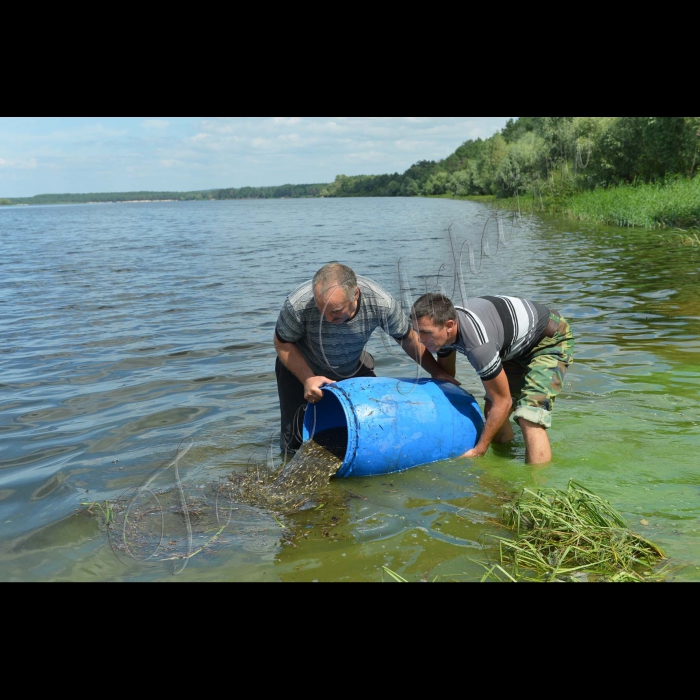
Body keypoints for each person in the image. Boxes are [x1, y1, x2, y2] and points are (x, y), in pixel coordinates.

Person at [274, 263, 458, 454]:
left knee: (371, 427)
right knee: (294, 442)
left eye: (335, 311)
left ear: (355, 294)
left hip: (351, 364)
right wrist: (307, 378)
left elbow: (408, 339)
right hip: (301, 368)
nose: (327, 319)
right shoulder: (299, 303)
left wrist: (436, 372)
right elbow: (282, 343)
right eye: (322, 311)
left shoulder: (380, 302)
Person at [411, 293, 575, 464]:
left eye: (426, 333)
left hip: (549, 339)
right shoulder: (444, 333)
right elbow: (447, 376)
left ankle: (537, 486)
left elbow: (503, 402)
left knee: (529, 415)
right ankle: (506, 461)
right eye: (417, 332)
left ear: (449, 325)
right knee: (492, 412)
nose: (421, 340)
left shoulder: (479, 345)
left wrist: (479, 450)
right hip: (514, 350)